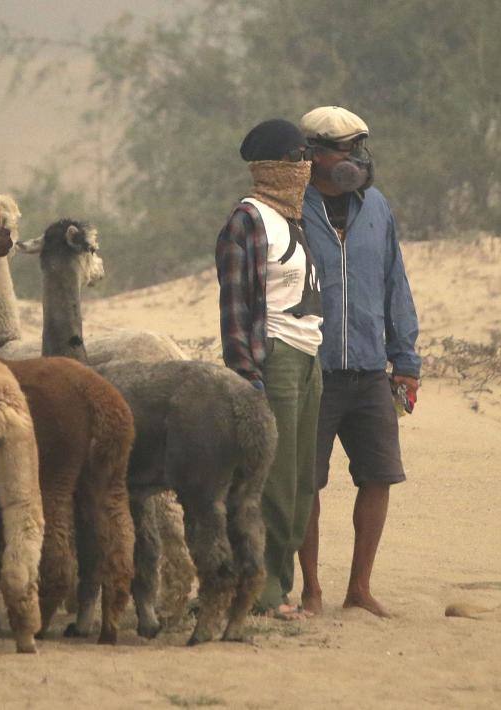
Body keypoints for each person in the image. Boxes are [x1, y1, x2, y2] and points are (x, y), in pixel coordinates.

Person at [296, 106, 421, 618]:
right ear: (314, 155)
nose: (355, 160)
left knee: (378, 476)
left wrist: (406, 359)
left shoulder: (378, 207)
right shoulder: (288, 210)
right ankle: (310, 591)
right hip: (311, 369)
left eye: (359, 148)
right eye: (345, 150)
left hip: (371, 370)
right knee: (306, 481)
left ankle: (359, 588)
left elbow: (396, 282)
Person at [215, 119, 323, 620]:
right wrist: (248, 374)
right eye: (297, 157)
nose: (305, 167)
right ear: (273, 166)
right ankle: (264, 593)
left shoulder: (295, 218)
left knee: (302, 483)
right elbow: (236, 306)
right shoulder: (249, 219)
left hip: (308, 357)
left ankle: (279, 583)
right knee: (274, 482)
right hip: (274, 355)